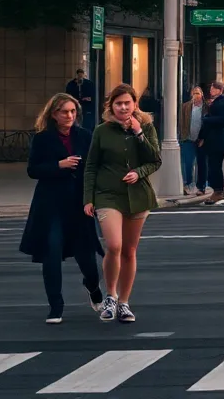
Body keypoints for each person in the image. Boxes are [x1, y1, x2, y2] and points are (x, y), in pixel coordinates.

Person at [20, 93, 103, 324]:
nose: (69, 116)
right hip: (51, 205)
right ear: (54, 114)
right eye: (64, 112)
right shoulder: (42, 139)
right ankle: (56, 306)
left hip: (79, 204)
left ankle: (93, 286)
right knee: (52, 254)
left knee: (87, 259)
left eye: (73, 111)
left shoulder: (85, 136)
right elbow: (33, 170)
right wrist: (59, 165)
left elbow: (94, 168)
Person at [83, 84, 161, 323]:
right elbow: (91, 166)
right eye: (118, 103)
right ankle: (110, 296)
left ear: (135, 104)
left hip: (138, 195)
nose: (123, 107)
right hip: (108, 195)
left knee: (129, 250)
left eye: (128, 103)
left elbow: (155, 160)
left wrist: (138, 138)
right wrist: (88, 198)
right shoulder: (101, 131)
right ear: (111, 106)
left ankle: (124, 302)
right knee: (114, 246)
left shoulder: (146, 127)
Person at [200, 81, 224, 204]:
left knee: (215, 166)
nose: (211, 91)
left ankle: (218, 191)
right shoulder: (217, 102)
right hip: (213, 139)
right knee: (213, 166)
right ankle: (216, 190)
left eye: (213, 89)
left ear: (219, 90)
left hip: (218, 140)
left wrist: (207, 119)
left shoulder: (223, 102)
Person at [178, 87, 207, 196]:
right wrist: (182, 135)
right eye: (194, 93)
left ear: (202, 94)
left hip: (201, 139)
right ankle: (188, 184)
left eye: (198, 93)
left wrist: (204, 138)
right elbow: (181, 122)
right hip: (188, 138)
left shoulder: (206, 107)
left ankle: (202, 185)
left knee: (202, 163)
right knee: (188, 162)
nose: (196, 95)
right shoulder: (185, 106)